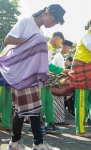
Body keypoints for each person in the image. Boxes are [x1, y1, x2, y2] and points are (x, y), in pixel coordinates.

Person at [4, 4, 66, 150]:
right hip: (20, 72)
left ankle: (16, 142)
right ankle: (37, 143)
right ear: (46, 13)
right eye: (53, 20)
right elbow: (7, 40)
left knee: (25, 108)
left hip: (30, 74)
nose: (52, 25)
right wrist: (32, 42)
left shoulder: (40, 33)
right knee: (31, 108)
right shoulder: (26, 22)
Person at [40, 31, 66, 133]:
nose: (60, 45)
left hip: (45, 80)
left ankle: (49, 123)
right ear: (56, 38)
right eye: (61, 42)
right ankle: (38, 125)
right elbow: (47, 65)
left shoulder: (48, 47)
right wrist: (63, 70)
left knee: (49, 101)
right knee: (41, 102)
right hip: (40, 79)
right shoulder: (48, 46)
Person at [51, 40, 73, 125]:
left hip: (56, 81)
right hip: (56, 82)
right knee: (58, 100)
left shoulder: (60, 56)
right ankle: (58, 120)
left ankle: (58, 119)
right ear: (63, 46)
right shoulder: (59, 56)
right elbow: (61, 72)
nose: (69, 50)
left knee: (57, 100)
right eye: (68, 47)